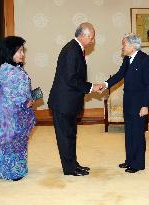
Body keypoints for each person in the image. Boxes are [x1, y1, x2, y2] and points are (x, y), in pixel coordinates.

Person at [48, 22, 101, 176]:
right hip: (63, 103)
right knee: (65, 137)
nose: (92, 41)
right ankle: (70, 169)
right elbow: (71, 79)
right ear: (83, 35)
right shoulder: (72, 50)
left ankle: (73, 164)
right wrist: (91, 87)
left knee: (70, 135)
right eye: (91, 38)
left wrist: (90, 87)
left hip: (68, 102)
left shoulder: (76, 48)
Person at [100, 33, 149, 173]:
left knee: (137, 133)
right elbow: (119, 75)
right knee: (129, 132)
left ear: (132, 45)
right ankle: (129, 160)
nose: (122, 47)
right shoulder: (127, 59)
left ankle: (138, 164)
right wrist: (105, 84)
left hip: (139, 103)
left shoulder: (144, 60)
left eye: (124, 44)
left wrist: (145, 105)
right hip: (128, 101)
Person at [0, 36, 36, 181]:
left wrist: (28, 99)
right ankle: (11, 172)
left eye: (22, 50)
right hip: (8, 113)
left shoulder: (14, 68)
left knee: (18, 141)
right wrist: (26, 102)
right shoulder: (7, 70)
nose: (22, 54)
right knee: (11, 140)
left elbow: (21, 91)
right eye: (19, 51)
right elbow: (14, 94)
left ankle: (18, 170)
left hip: (14, 110)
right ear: (9, 52)